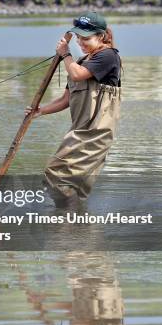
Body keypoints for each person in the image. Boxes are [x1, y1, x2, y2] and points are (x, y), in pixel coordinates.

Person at [26, 11, 122, 207]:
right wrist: (40, 111)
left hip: (96, 132)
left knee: (55, 174)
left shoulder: (108, 56)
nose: (80, 42)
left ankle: (68, 221)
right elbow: (66, 99)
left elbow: (78, 75)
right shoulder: (80, 62)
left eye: (85, 38)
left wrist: (66, 54)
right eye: (78, 37)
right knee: (74, 185)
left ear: (101, 36)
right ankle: (77, 226)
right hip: (80, 130)